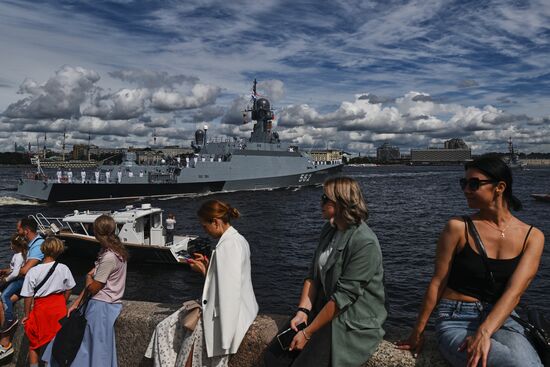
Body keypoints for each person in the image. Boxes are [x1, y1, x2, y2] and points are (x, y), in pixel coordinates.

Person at [397, 155, 545, 367]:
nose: (466, 189)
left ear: (499, 187)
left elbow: (514, 292)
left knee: (528, 363)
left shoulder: (533, 236)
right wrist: (417, 332)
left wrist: (484, 332)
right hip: (456, 319)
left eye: (474, 184)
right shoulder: (458, 228)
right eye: (463, 183)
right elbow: (438, 282)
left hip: (503, 319)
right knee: (514, 363)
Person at [265, 176, 387, 367]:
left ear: (341, 203)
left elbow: (343, 298)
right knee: (273, 358)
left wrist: (307, 333)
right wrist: (303, 311)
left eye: (324, 198)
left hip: (348, 318)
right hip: (324, 307)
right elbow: (312, 275)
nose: (320, 202)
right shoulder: (330, 229)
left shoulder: (365, 242)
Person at [145, 199, 258, 367]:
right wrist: (207, 269)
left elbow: (229, 293)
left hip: (218, 320)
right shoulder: (238, 240)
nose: (205, 231)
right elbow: (227, 282)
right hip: (223, 315)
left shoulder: (228, 246)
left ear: (216, 221)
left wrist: (225, 339)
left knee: (180, 350)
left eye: (205, 226)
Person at [43, 214, 128, 367]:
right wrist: (77, 301)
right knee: (96, 348)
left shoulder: (108, 257)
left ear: (96, 232)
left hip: (100, 307)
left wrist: (89, 278)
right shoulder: (117, 252)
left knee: (87, 348)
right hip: (107, 306)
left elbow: (94, 287)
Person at [21, 237, 75, 367]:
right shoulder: (64, 268)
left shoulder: (33, 271)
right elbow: (69, 288)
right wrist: (63, 301)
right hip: (59, 308)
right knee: (55, 342)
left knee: (35, 343)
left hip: (41, 309)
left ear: (43, 250)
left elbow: (28, 296)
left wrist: (27, 315)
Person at [0, 217, 44, 360]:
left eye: (18, 229)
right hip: (23, 284)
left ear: (26, 231)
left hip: (30, 286)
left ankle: (5, 342)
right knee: (1, 302)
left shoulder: (38, 245)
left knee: (4, 297)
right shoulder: (28, 245)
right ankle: (5, 344)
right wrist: (7, 271)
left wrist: (10, 275)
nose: (16, 232)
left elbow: (25, 270)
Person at [0, 234, 28, 330]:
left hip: (19, 280)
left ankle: (10, 319)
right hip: (19, 279)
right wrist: (6, 272)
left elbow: (16, 273)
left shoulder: (18, 256)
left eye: (11, 244)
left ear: (16, 245)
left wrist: (6, 279)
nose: (10, 246)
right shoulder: (21, 255)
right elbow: (14, 269)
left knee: (4, 296)